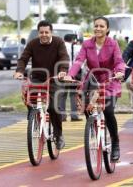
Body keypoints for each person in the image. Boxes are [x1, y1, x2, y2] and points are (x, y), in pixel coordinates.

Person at [63, 16, 125, 162]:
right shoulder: (87, 44)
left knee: (108, 110)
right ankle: (93, 127)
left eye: (101, 26)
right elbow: (79, 60)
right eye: (96, 26)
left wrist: (120, 72)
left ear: (107, 29)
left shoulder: (113, 44)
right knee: (88, 108)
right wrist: (70, 74)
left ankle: (115, 143)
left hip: (110, 80)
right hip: (92, 80)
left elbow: (119, 61)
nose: (98, 28)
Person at [14, 20, 69, 150]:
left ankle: (58, 135)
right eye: (41, 32)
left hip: (55, 78)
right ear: (38, 33)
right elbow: (23, 59)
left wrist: (63, 70)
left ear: (51, 32)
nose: (44, 34)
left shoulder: (58, 42)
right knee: (29, 96)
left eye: (46, 32)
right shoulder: (33, 44)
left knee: (54, 107)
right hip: (38, 78)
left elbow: (64, 57)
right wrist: (19, 71)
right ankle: (35, 116)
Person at [59, 34, 83, 122]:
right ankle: (74, 116)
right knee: (73, 94)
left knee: (62, 95)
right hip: (74, 74)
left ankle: (62, 116)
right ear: (73, 39)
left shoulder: (60, 47)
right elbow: (81, 61)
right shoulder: (77, 47)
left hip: (62, 73)